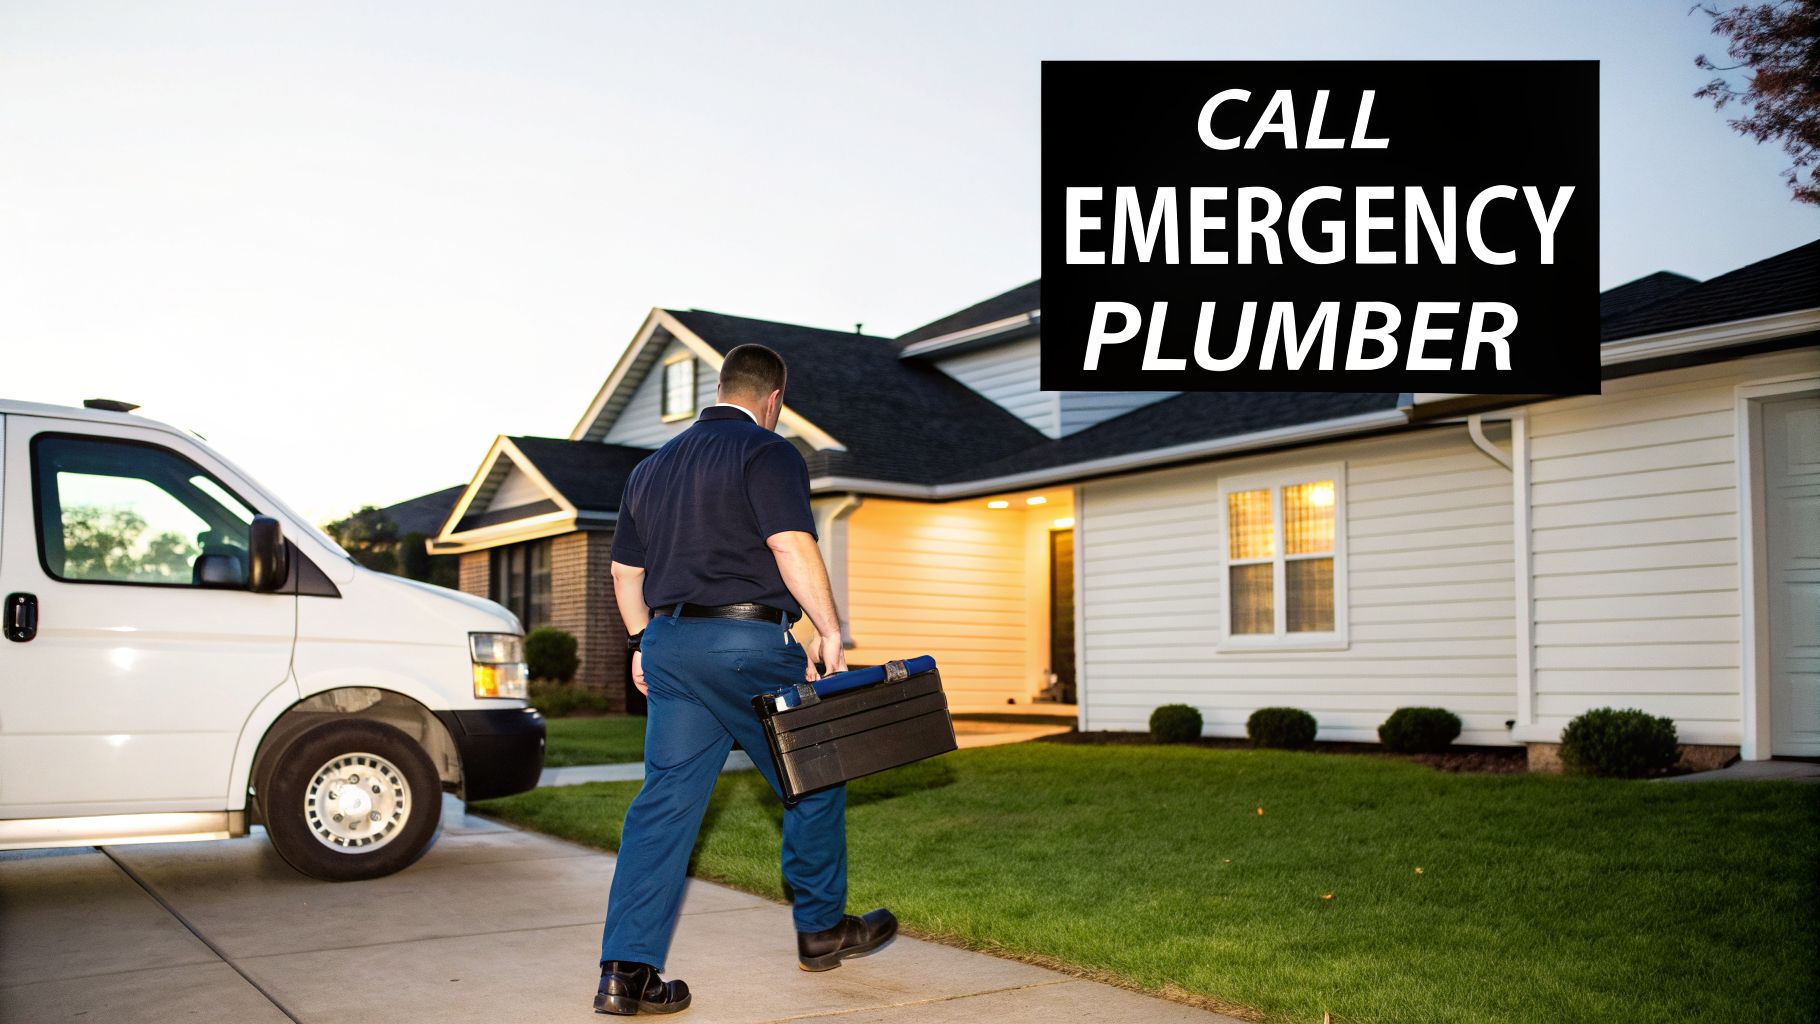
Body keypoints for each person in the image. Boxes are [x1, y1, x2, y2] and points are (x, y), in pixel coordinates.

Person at [593, 342, 897, 1016]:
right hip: (747, 644)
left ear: (719, 388)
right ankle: (820, 930)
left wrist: (643, 641)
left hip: (670, 646)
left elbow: (623, 574)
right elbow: (791, 545)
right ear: (773, 401)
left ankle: (625, 972)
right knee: (813, 774)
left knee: (663, 808)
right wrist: (830, 630)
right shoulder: (769, 451)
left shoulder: (650, 467)